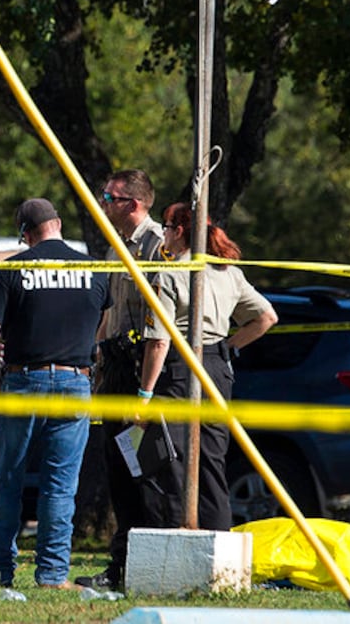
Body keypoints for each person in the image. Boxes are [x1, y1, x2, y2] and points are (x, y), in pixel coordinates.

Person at [0, 198, 110, 589]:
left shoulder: (12, 270)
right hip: (75, 382)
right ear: (59, 224)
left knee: (7, 479)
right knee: (61, 485)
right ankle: (52, 575)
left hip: (22, 380)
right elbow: (102, 324)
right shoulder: (95, 270)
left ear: (25, 234)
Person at [138, 202, 277, 531]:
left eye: (167, 228)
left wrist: (144, 394)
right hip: (217, 367)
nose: (164, 235)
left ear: (179, 231)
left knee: (168, 461)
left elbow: (158, 341)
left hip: (178, 370)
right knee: (212, 463)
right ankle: (217, 543)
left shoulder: (169, 273)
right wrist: (228, 347)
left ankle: (173, 543)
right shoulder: (229, 272)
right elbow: (267, 317)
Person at [83, 168, 165, 591]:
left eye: (109, 196)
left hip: (141, 373)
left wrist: (145, 391)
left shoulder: (157, 245)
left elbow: (159, 322)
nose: (102, 203)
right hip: (114, 369)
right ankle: (121, 566)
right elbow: (111, 312)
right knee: (118, 470)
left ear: (133, 204)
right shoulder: (117, 247)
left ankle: (146, 567)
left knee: (144, 472)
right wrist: (93, 355)